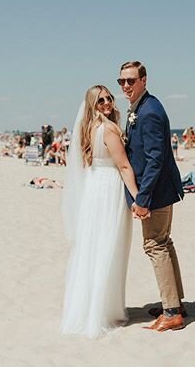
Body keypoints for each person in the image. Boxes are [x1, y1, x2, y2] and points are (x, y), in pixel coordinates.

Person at [61, 85, 140, 339]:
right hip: (108, 189)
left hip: (95, 188)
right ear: (92, 105)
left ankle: (95, 306)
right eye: (100, 100)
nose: (107, 102)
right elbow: (124, 166)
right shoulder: (107, 129)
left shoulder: (90, 128)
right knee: (108, 245)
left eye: (108, 97)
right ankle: (101, 311)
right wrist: (139, 198)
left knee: (95, 246)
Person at [119, 60, 186, 332]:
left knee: (155, 246)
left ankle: (171, 312)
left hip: (156, 191)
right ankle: (175, 303)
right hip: (160, 189)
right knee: (164, 243)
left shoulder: (149, 112)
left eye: (131, 81)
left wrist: (142, 198)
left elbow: (155, 159)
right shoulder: (142, 107)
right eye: (121, 81)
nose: (125, 86)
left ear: (144, 80)